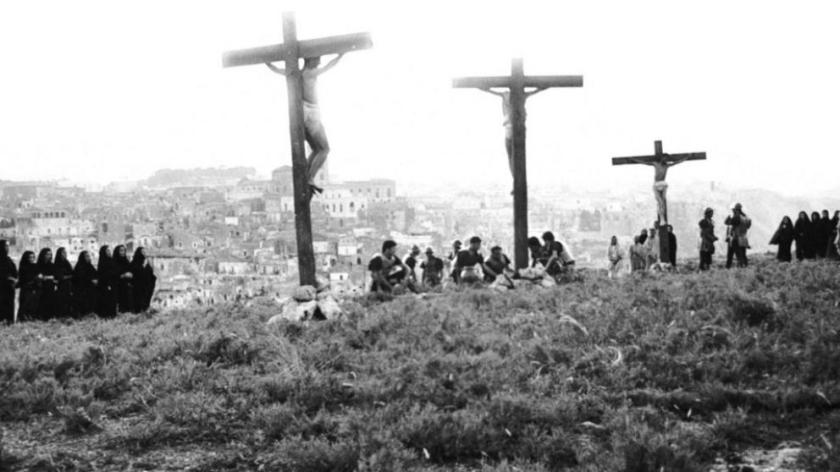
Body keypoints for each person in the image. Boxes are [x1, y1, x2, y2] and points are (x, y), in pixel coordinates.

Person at [266, 54, 345, 195]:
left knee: (316, 149)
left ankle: (306, 176)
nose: (319, 62)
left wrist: (267, 62)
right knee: (324, 149)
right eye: (317, 59)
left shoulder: (296, 74)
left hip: (301, 113)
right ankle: (309, 178)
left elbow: (278, 70)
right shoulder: (311, 73)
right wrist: (341, 54)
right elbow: (330, 65)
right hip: (312, 112)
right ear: (310, 59)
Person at [478, 86, 547, 187]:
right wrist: (544, 86)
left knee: (511, 156)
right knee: (516, 157)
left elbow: (490, 91)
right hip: (519, 129)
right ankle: (518, 181)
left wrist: (482, 87)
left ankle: (516, 181)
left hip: (509, 128)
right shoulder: (521, 94)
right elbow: (536, 91)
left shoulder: (505, 95)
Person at [626, 153, 692, 225]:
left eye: (666, 159)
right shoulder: (656, 164)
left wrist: (687, 157)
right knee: (660, 202)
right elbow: (644, 163)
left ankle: (662, 219)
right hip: (657, 184)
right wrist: (634, 159)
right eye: (664, 158)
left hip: (662, 184)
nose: (665, 160)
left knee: (662, 202)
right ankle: (662, 219)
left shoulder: (666, 166)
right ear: (661, 158)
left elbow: (677, 162)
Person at [131, 247, 157, 313]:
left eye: (145, 252)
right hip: (137, 287)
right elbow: (135, 273)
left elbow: (151, 273)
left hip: (146, 286)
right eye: (143, 252)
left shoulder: (147, 262)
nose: (144, 253)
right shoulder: (134, 263)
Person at [73, 250, 98, 317]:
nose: (88, 258)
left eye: (89, 256)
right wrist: (91, 280)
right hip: (82, 288)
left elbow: (95, 273)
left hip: (90, 286)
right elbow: (81, 278)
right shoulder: (79, 266)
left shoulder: (89, 266)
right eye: (87, 256)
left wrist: (95, 279)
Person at [725, 203, 751, 268]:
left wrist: (728, 217)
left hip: (735, 238)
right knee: (743, 254)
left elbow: (727, 222)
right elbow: (748, 226)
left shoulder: (736, 217)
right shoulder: (746, 217)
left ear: (736, 209)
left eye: (733, 210)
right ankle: (745, 267)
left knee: (732, 255)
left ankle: (731, 268)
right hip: (743, 239)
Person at [35, 248, 57, 320]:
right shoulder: (38, 265)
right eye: (47, 254)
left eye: (50, 254)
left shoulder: (52, 265)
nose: (49, 256)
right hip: (41, 287)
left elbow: (55, 276)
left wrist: (46, 277)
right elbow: (38, 275)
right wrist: (45, 277)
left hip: (50, 287)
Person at [96, 245, 118, 318]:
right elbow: (103, 274)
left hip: (113, 283)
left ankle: (112, 315)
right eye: (107, 251)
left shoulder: (112, 260)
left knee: (113, 300)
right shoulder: (102, 262)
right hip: (105, 285)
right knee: (106, 300)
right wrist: (108, 284)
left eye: (109, 250)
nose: (109, 252)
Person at [17, 251, 39, 321]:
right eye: (30, 257)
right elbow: (24, 279)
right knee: (25, 305)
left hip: (34, 288)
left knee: (33, 305)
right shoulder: (23, 267)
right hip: (26, 289)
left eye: (33, 257)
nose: (32, 259)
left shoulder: (35, 266)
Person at [53, 247, 74, 318]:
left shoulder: (66, 262)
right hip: (61, 285)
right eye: (63, 252)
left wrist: (68, 276)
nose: (65, 254)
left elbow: (71, 273)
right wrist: (68, 276)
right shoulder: (57, 263)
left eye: (65, 252)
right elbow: (60, 277)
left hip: (68, 284)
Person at [0, 240, 18, 325]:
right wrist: (10, 278)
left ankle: (9, 322)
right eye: (6, 246)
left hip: (10, 288)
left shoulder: (8, 259)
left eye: (8, 246)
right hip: (2, 287)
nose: (8, 248)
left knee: (9, 306)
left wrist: (15, 279)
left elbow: (14, 271)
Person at [113, 245, 134, 314]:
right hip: (118, 287)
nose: (123, 252)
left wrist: (131, 274)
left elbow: (131, 270)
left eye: (124, 250)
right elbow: (113, 275)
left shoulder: (126, 261)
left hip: (127, 286)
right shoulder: (114, 262)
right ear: (117, 252)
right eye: (121, 250)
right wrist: (124, 275)